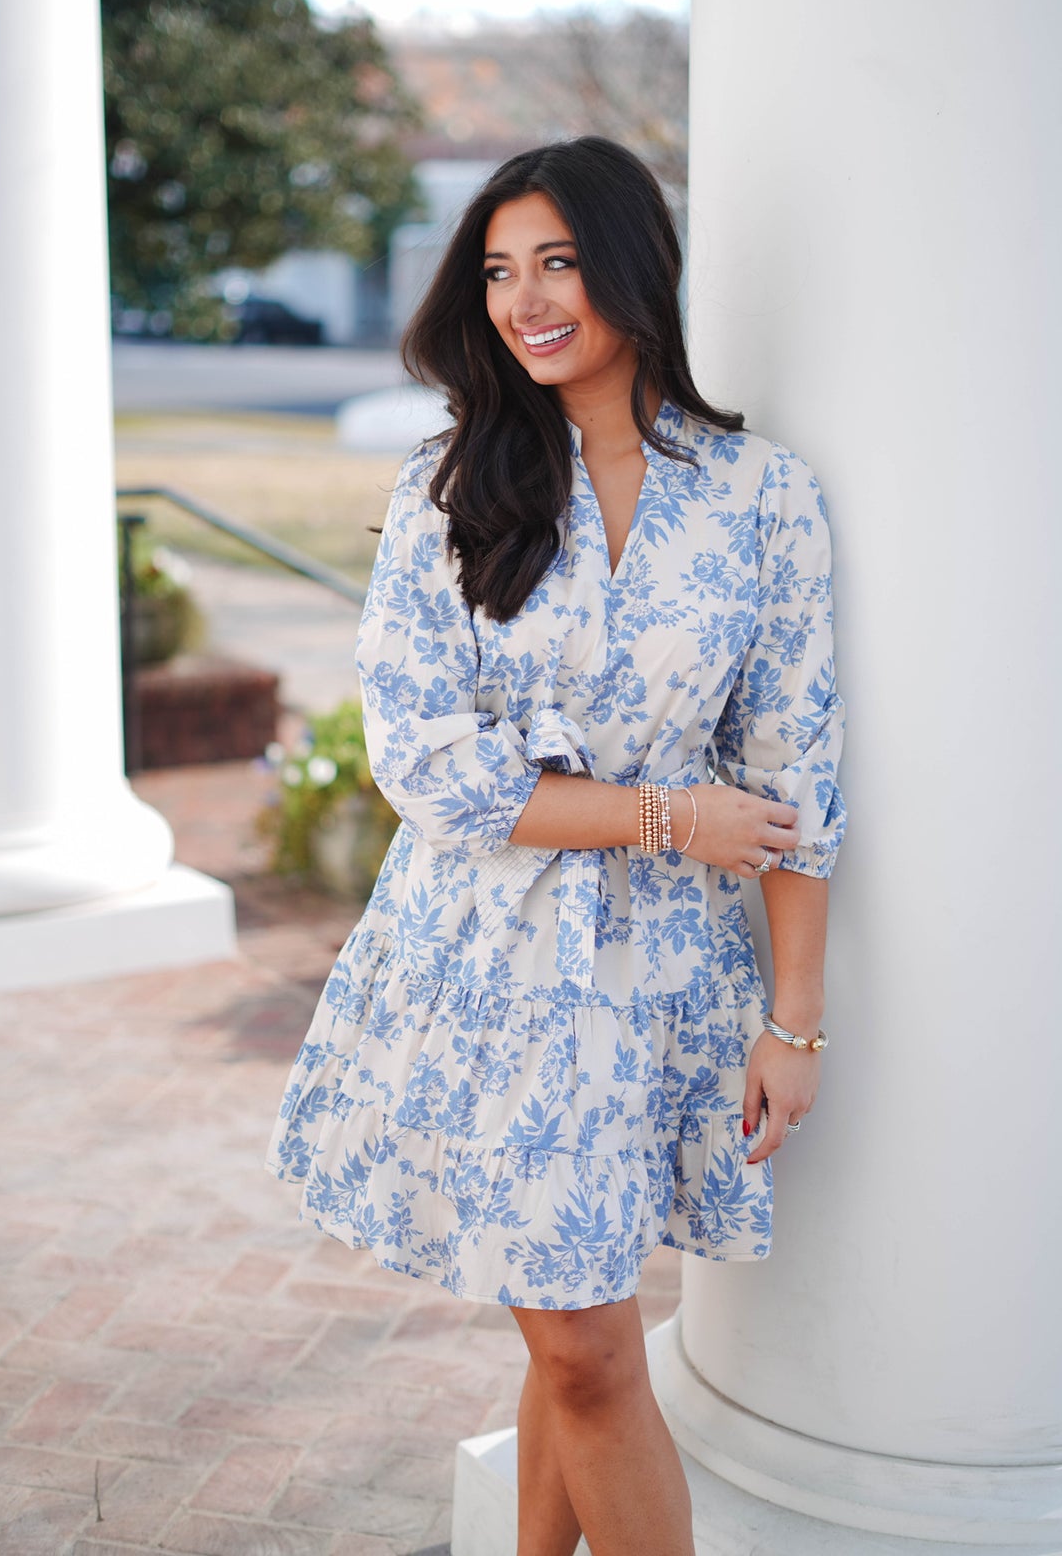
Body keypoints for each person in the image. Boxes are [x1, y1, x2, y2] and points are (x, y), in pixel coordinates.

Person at [265, 134, 847, 1556]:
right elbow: (428, 764)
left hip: (660, 979)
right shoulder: (447, 485)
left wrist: (797, 1024)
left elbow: (798, 766)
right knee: (589, 1342)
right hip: (483, 963)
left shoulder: (761, 495)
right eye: (501, 271)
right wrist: (667, 817)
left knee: (571, 1334)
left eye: (560, 262)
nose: (527, 300)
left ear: (633, 266)